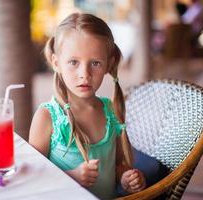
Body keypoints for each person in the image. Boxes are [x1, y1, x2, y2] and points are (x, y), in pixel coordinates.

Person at [28, 12, 146, 199]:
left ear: (109, 64)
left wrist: (125, 178)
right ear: (56, 63)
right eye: (74, 62)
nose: (85, 74)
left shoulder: (110, 111)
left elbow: (117, 165)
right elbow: (35, 177)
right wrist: (72, 177)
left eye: (96, 63)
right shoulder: (46, 117)